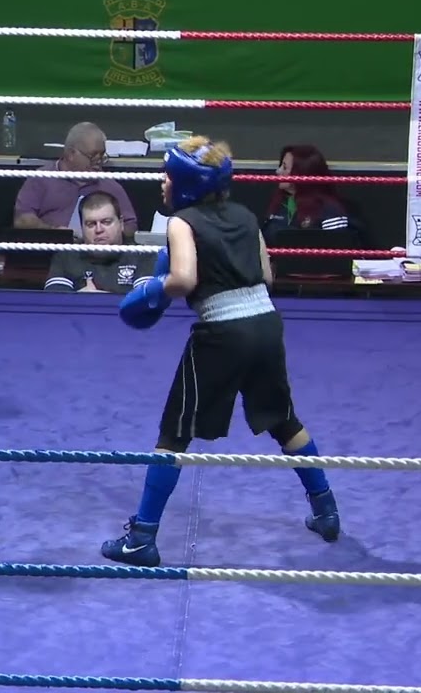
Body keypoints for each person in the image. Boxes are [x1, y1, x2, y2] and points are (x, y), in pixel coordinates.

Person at [100, 136, 342, 567]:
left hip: (222, 333)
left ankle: (142, 539)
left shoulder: (181, 222)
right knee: (284, 420)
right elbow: (267, 275)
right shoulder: (247, 216)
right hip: (266, 324)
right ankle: (326, 511)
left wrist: (151, 288)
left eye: (168, 176)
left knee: (175, 431)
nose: (162, 183)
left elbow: (184, 280)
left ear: (186, 185)